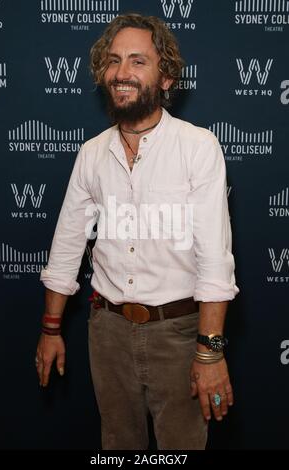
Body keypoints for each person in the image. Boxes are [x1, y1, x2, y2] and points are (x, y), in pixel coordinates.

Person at [36, 13, 239, 450]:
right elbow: (67, 245)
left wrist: (210, 352)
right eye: (113, 61)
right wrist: (51, 329)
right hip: (106, 333)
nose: (121, 73)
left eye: (137, 61)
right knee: (117, 448)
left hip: (180, 334)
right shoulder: (91, 153)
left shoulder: (198, 147)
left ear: (165, 77)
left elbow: (214, 261)